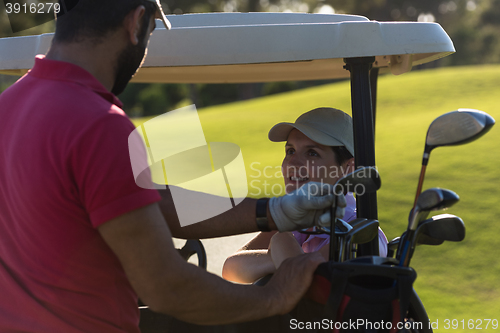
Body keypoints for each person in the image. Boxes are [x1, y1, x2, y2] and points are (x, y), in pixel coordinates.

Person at [0, 1, 345, 332]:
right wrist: (274, 295)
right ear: (136, 23)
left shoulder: (9, 105)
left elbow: (151, 204)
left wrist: (272, 211)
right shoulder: (99, 124)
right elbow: (166, 286)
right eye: (151, 32)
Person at [222, 107, 388, 284]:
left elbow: (309, 276)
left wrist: (280, 247)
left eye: (312, 153)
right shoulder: (293, 220)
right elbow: (230, 269)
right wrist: (279, 256)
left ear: (349, 169)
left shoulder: (362, 235)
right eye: (290, 151)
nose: (292, 163)